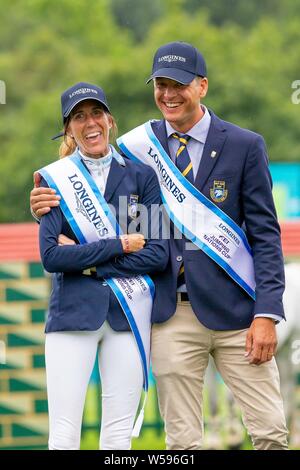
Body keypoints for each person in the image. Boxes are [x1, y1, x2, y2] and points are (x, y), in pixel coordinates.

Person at [31, 42, 288, 450]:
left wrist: (268, 313)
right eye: (161, 85)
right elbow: (92, 195)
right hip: (171, 315)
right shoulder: (139, 150)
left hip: (239, 314)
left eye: (179, 85)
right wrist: (46, 207)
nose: (168, 94)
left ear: (202, 86)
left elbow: (265, 235)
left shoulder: (244, 145)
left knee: (271, 431)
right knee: (181, 443)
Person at [36, 81, 168, 450]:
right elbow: (51, 257)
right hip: (72, 315)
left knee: (118, 436)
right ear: (68, 129)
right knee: (64, 433)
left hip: (126, 317)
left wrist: (89, 261)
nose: (89, 123)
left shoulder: (143, 177)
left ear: (110, 120)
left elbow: (157, 253)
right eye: (79, 117)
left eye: (96, 113)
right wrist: (118, 245)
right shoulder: (54, 180)